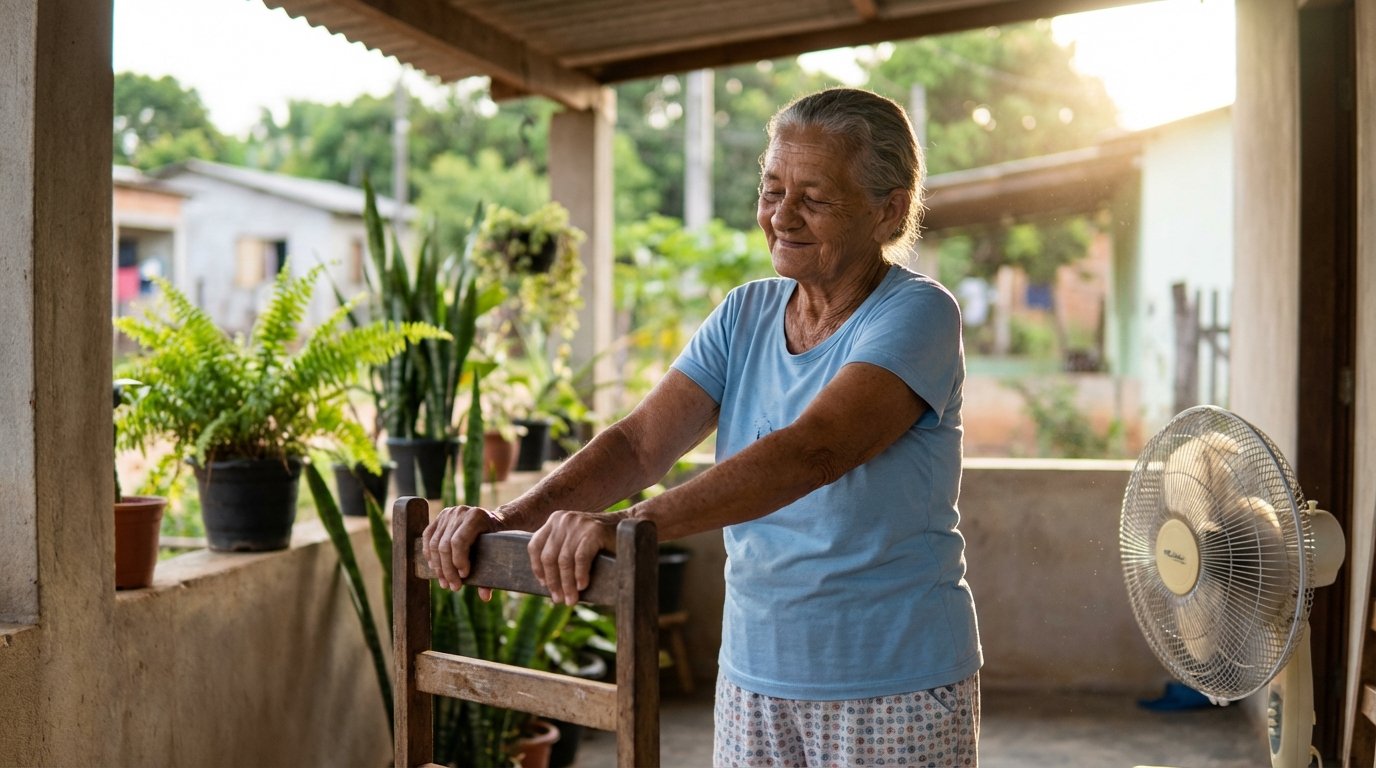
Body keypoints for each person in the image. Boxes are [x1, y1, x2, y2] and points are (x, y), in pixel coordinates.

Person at [424, 87, 981, 767]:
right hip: (756, 674)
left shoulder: (917, 314)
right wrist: (510, 517)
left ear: (887, 209)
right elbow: (637, 444)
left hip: (892, 679)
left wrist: (626, 526)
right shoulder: (744, 313)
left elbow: (815, 451)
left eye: (814, 198)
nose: (782, 216)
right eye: (772, 189)